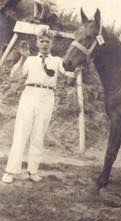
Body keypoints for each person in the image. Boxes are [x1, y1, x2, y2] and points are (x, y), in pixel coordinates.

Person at [2, 28, 74, 183]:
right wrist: (22, 59)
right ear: (37, 43)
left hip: (47, 96)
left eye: (47, 41)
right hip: (29, 94)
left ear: (52, 43)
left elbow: (68, 72)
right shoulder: (30, 60)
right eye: (41, 41)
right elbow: (14, 75)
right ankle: (10, 171)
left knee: (38, 135)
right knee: (21, 133)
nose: (44, 44)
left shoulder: (56, 60)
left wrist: (76, 69)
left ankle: (32, 170)